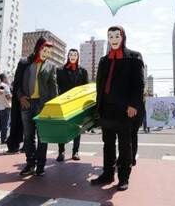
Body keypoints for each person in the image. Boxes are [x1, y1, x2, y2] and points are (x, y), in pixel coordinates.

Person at [91, 26, 144, 191]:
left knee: (124, 144)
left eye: (116, 36)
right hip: (106, 109)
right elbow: (99, 85)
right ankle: (107, 174)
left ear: (123, 37)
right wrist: (97, 107)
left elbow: (138, 84)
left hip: (124, 109)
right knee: (107, 144)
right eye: (110, 36)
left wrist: (134, 105)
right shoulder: (104, 60)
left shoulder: (134, 57)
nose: (113, 39)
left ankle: (123, 177)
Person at [17, 36, 58, 176]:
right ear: (38, 48)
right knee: (28, 136)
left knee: (43, 137)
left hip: (43, 105)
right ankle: (30, 163)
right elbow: (17, 83)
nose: (46, 53)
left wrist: (53, 106)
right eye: (44, 50)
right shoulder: (25, 63)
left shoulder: (51, 66)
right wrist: (21, 97)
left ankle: (41, 165)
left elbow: (53, 87)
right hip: (26, 103)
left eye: (49, 52)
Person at [56, 49, 88, 162]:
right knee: (61, 127)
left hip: (77, 104)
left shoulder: (83, 71)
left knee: (77, 128)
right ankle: (61, 152)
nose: (73, 56)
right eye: (71, 54)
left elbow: (86, 89)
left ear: (78, 56)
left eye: (75, 54)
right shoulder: (60, 70)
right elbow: (57, 87)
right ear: (68, 56)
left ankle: (75, 151)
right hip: (63, 103)